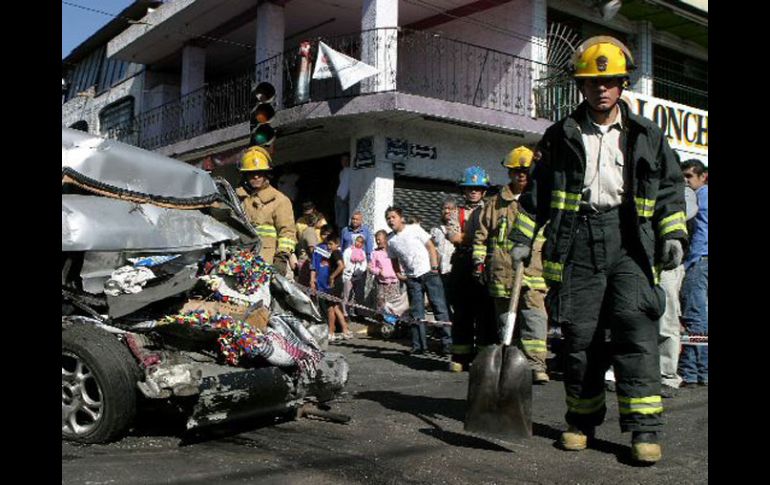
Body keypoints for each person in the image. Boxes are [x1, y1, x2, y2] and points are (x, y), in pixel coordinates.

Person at [507, 36, 688, 464]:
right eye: (592, 82)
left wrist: (673, 234)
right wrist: (521, 239)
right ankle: (581, 421)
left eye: (609, 82)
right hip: (579, 240)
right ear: (581, 86)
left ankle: (644, 430)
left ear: (623, 84)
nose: (601, 89)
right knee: (581, 337)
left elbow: (669, 188)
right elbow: (537, 195)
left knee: (636, 333)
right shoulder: (559, 135)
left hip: (631, 243)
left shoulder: (647, 134)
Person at [473, 148, 550, 383]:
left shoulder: (542, 201)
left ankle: (536, 366)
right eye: (516, 171)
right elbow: (481, 236)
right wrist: (479, 262)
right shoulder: (494, 203)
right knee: (507, 323)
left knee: (534, 319)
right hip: (501, 272)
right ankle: (513, 368)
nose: (521, 175)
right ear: (509, 173)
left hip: (533, 271)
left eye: (525, 170)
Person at [444, 167, 494, 372]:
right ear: (463, 191)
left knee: (486, 312)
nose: (473, 191)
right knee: (462, 311)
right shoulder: (456, 212)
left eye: (477, 188)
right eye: (469, 188)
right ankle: (460, 356)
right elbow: (454, 237)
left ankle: (484, 359)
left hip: (485, 263)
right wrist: (480, 237)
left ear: (484, 191)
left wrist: (469, 236)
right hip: (463, 263)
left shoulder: (492, 209)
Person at [385, 206, 452, 355]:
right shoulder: (390, 240)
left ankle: (447, 344)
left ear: (401, 218)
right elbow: (393, 259)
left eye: (393, 217)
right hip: (412, 279)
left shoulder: (414, 229)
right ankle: (419, 346)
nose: (390, 220)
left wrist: (434, 267)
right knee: (416, 313)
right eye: (388, 218)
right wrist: (398, 274)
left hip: (429, 274)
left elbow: (430, 246)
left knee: (439, 308)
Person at [235, 146, 296, 275]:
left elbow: (287, 233)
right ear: (244, 175)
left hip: (270, 263)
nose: (256, 176)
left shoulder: (279, 200)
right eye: (251, 173)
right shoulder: (236, 200)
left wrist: (281, 258)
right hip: (243, 265)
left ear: (266, 174)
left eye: (260, 172)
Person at [678, 159, 708, 388]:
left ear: (703, 176)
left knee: (693, 317)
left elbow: (700, 235)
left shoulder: (701, 196)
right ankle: (703, 371)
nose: (686, 181)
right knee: (702, 317)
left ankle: (690, 371)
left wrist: (689, 263)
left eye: (689, 176)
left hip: (699, 261)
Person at [310, 232, 351, 342]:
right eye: (328, 244)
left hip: (334, 284)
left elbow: (341, 266)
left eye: (331, 244)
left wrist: (332, 277)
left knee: (330, 309)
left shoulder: (335, 253)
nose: (328, 246)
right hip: (338, 284)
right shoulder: (337, 253)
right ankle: (345, 330)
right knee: (336, 307)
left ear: (337, 244)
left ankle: (331, 332)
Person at [341, 211, 375, 316]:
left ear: (361, 221)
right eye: (353, 219)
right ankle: (345, 314)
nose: (354, 221)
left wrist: (369, 263)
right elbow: (342, 247)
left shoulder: (366, 231)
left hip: (361, 267)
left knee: (359, 292)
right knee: (346, 292)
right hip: (348, 267)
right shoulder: (345, 230)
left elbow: (369, 248)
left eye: (357, 219)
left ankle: (360, 313)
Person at [430, 198, 459, 306]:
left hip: (455, 270)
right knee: (442, 302)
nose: (447, 211)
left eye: (450, 208)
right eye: (444, 208)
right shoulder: (435, 230)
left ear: (456, 210)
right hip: (440, 271)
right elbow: (432, 249)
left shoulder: (461, 227)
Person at [369, 229, 403, 313]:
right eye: (376, 240)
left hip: (394, 283)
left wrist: (401, 274)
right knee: (382, 305)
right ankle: (382, 319)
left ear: (385, 239)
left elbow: (400, 264)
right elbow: (371, 268)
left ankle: (394, 320)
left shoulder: (393, 251)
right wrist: (378, 271)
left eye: (379, 239)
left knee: (395, 306)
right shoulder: (375, 253)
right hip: (381, 284)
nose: (378, 241)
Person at [342, 234, 368, 324]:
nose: (359, 243)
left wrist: (360, 271)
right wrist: (348, 271)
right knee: (347, 295)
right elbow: (344, 262)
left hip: (358, 276)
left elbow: (364, 264)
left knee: (358, 296)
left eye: (361, 242)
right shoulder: (348, 251)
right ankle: (345, 313)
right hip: (348, 276)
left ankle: (358, 313)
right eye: (357, 241)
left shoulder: (362, 252)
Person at [335, 154, 352, 228]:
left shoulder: (352, 170)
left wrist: (347, 197)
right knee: (338, 221)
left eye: (346, 160)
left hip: (344, 199)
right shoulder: (341, 172)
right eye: (343, 160)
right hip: (338, 197)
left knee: (343, 223)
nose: (344, 162)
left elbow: (352, 185)